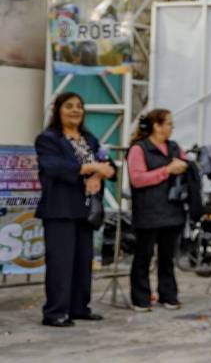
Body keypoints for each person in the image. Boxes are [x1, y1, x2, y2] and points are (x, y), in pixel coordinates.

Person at [34, 92, 115, 327]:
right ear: (58, 110)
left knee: (83, 261)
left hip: (86, 208)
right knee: (60, 263)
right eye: (69, 106)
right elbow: (53, 166)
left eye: (79, 106)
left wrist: (98, 175)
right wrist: (89, 168)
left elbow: (108, 165)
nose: (75, 110)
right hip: (59, 209)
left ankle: (79, 307)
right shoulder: (48, 139)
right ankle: (55, 312)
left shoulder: (89, 138)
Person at [127, 109, 190, 312]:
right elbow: (137, 179)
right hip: (148, 211)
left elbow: (187, 164)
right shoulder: (139, 149)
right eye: (169, 123)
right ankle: (140, 298)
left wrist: (185, 166)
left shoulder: (174, 147)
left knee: (167, 257)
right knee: (143, 256)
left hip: (172, 211)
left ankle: (168, 295)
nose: (172, 127)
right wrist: (167, 170)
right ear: (157, 126)